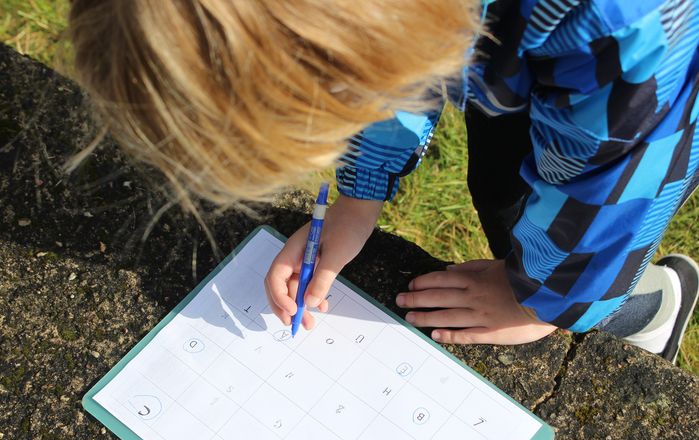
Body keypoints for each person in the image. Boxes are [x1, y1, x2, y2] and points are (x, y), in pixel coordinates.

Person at [69, 0, 699, 363]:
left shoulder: (619, 21)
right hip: (521, 56)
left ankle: (654, 309)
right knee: (503, 186)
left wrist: (545, 300)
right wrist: (360, 193)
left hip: (639, 99)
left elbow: (621, 181)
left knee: (534, 209)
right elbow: (392, 59)